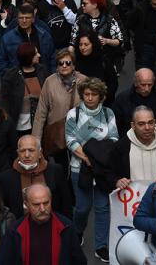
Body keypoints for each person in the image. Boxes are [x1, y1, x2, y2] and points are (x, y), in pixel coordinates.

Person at [64, 78, 118, 262]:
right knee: (82, 207)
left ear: (101, 96)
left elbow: (113, 139)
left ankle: (101, 246)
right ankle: (77, 232)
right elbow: (70, 140)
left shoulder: (108, 114)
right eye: (86, 94)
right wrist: (88, 158)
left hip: (102, 170)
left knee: (102, 208)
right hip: (79, 168)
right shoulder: (74, 114)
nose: (89, 97)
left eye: (93, 94)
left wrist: (96, 157)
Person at [0, 184, 87, 264]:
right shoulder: (15, 232)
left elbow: (79, 261)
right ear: (26, 204)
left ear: (51, 201)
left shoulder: (66, 227)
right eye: (36, 204)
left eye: (46, 203)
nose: (42, 209)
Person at [0, 135, 72, 218]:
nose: (26, 155)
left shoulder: (55, 171)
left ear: (40, 153)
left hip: (52, 223)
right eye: (22, 151)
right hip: (19, 225)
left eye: (31, 150)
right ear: (18, 153)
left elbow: (66, 204)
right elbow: (3, 210)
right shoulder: (7, 177)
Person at [112, 106, 156, 188]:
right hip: (130, 195)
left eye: (150, 123)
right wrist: (117, 181)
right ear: (133, 125)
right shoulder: (121, 147)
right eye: (141, 124)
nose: (147, 128)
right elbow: (109, 173)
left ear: (155, 122)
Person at [0, 3, 57, 75]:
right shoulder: (7, 38)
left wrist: (52, 76)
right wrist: (10, 76)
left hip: (42, 77)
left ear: (33, 19)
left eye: (27, 18)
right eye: (21, 18)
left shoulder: (44, 35)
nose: (24, 21)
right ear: (17, 19)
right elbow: (1, 60)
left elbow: (53, 58)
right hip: (17, 78)